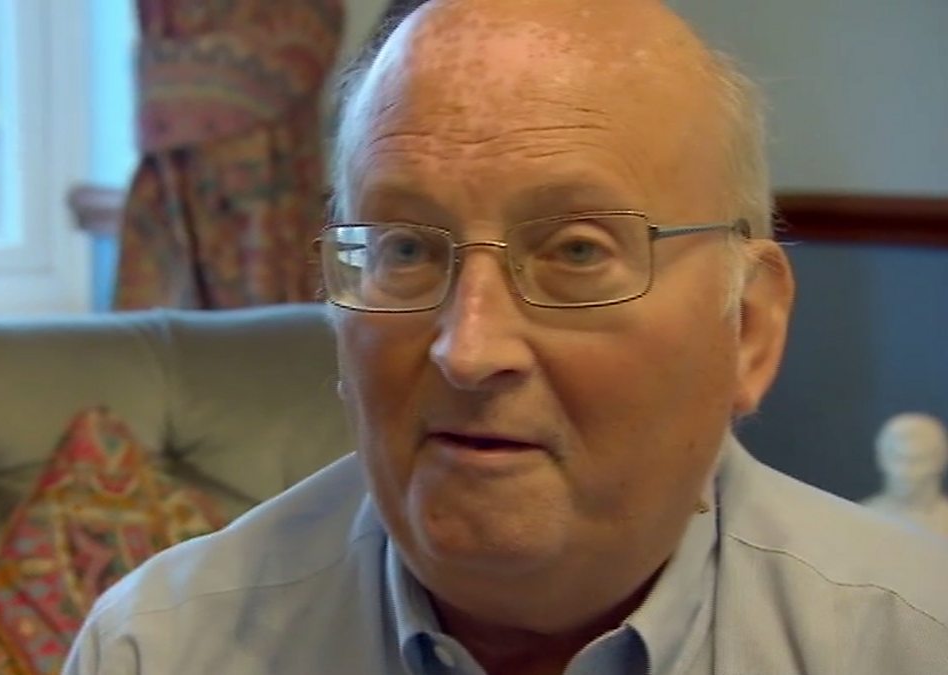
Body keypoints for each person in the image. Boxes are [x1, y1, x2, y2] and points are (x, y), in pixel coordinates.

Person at [65, 1, 948, 672]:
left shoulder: (911, 638)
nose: (468, 348)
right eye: (406, 249)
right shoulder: (161, 647)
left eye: (577, 251)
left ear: (747, 328)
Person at [862, 412, 948, 538]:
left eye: (917, 460)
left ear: (940, 461)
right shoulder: (862, 517)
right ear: (881, 459)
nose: (904, 470)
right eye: (897, 458)